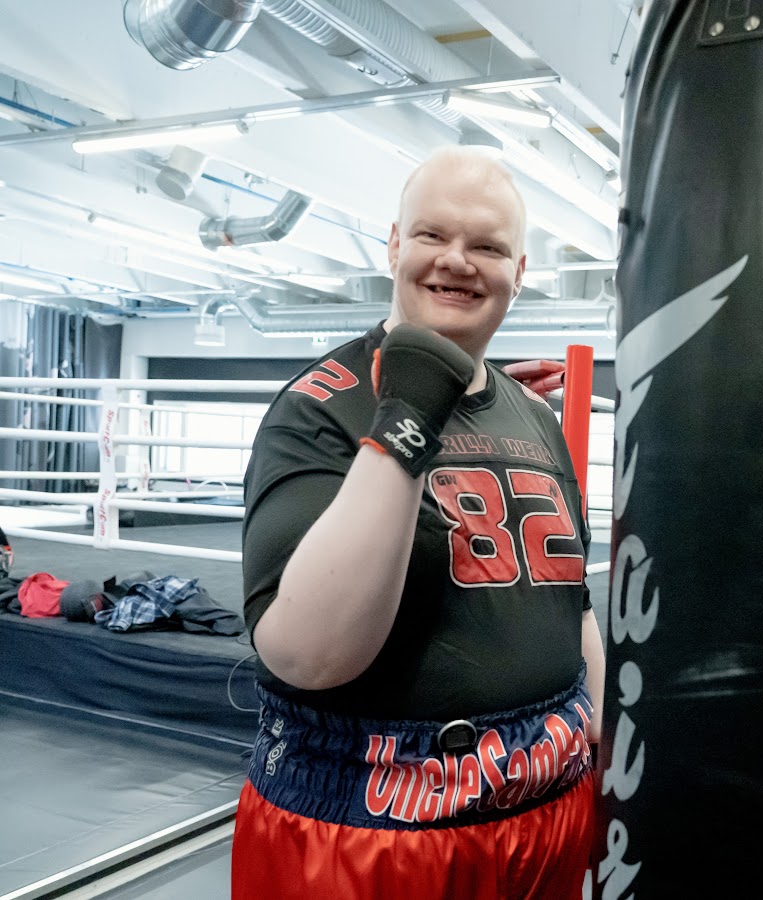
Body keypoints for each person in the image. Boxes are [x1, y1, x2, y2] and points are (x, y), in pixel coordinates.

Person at [232, 147, 606, 899]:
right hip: (375, 835)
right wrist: (406, 415)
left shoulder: (533, 414)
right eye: (434, 235)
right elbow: (305, 656)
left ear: (519, 271)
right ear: (395, 244)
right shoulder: (321, 407)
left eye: (487, 246)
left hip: (550, 812)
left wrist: (609, 730)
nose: (458, 261)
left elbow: (571, 601)